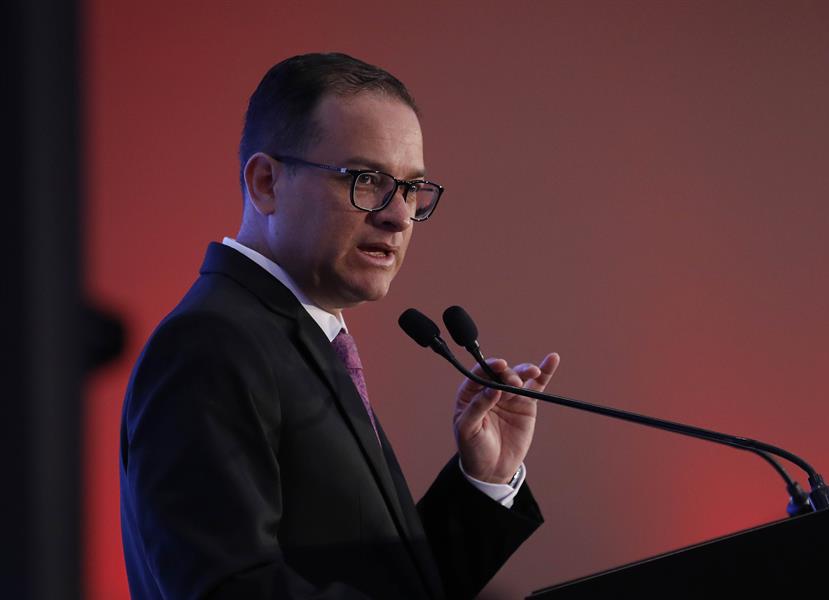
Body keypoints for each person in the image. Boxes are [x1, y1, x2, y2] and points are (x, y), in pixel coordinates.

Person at [119, 52, 560, 600]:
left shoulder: (298, 337)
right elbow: (229, 589)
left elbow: (395, 585)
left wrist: (483, 480)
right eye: (366, 179)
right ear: (266, 183)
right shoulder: (211, 344)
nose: (398, 216)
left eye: (411, 188)